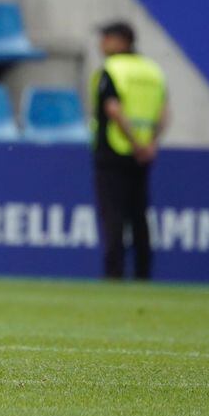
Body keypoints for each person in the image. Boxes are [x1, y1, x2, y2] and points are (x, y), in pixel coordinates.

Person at [91, 21, 169, 281]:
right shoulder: (152, 71)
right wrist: (151, 144)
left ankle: (114, 275)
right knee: (139, 217)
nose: (101, 43)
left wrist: (134, 141)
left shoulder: (113, 70)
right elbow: (164, 112)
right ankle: (143, 274)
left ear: (121, 41)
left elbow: (113, 109)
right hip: (143, 154)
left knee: (112, 215)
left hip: (114, 150)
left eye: (105, 37)